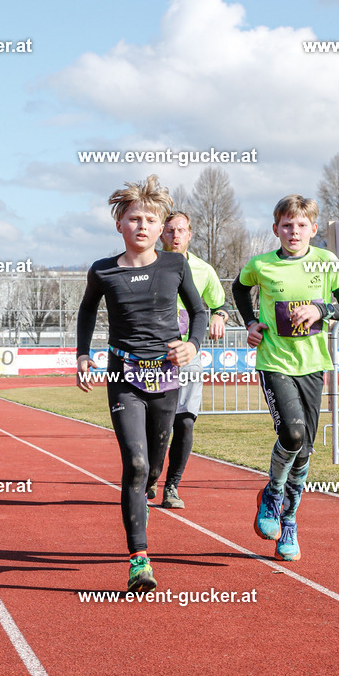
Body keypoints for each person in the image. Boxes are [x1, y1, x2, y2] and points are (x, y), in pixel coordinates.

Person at [76, 177, 206, 593]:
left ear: (161, 224)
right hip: (123, 374)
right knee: (133, 464)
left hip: (167, 373)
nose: (143, 226)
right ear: (120, 224)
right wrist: (83, 355)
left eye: (151, 219)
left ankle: (154, 480)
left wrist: (192, 346)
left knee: (152, 466)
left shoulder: (175, 265)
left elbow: (200, 313)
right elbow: (85, 313)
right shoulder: (103, 270)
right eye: (134, 219)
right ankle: (139, 561)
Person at [232, 194, 339, 561]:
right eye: (287, 225)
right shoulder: (261, 265)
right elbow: (240, 289)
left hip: (313, 364)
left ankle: (289, 521)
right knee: (292, 432)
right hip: (274, 362)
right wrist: (250, 323)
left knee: (304, 450)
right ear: (276, 229)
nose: (294, 231)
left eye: (302, 225)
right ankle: (273, 492)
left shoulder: (326, 262)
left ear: (313, 229)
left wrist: (321, 308)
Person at [147, 210, 229, 508]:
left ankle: (172, 486)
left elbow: (221, 304)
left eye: (181, 230)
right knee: (156, 423)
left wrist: (219, 315)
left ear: (190, 234)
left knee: (185, 421)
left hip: (189, 355)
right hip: (152, 356)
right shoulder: (148, 264)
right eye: (169, 231)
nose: (175, 235)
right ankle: (151, 474)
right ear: (161, 234)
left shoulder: (204, 270)